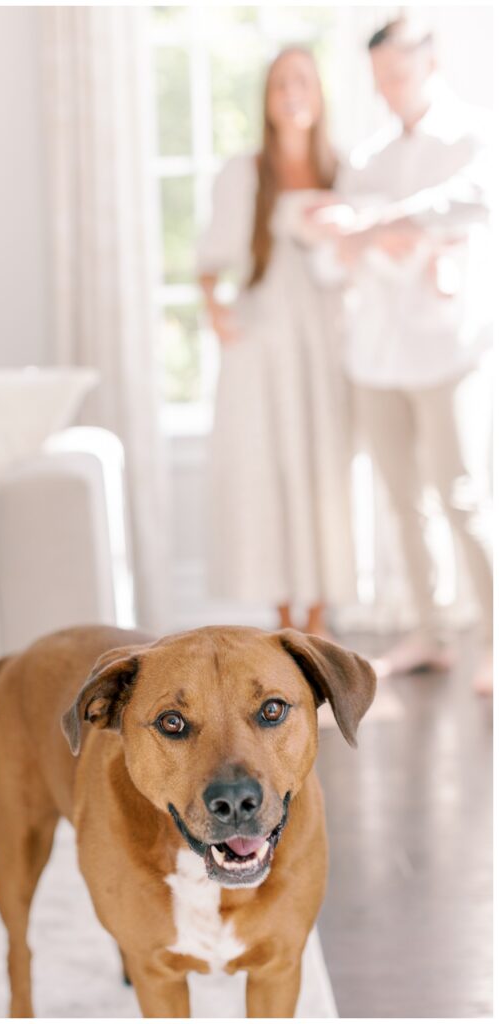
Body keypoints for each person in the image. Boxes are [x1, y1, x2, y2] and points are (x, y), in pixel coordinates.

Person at [308, 16, 493, 692]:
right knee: (401, 499)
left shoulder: (470, 135)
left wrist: (380, 225)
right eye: (380, 78)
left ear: (429, 63)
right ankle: (431, 632)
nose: (389, 89)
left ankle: (494, 638)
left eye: (399, 74)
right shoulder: (371, 157)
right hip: (376, 359)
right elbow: (338, 257)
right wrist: (386, 237)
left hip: (448, 352)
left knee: (463, 495)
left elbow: (470, 203)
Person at [197, 47, 356, 639]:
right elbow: (210, 260)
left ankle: (319, 621)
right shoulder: (244, 174)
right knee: (268, 471)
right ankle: (283, 621)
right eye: (280, 84)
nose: (292, 93)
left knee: (322, 472)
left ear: (319, 94)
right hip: (262, 344)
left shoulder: (343, 170)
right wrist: (215, 308)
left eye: (302, 82)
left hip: (324, 346)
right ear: (267, 99)